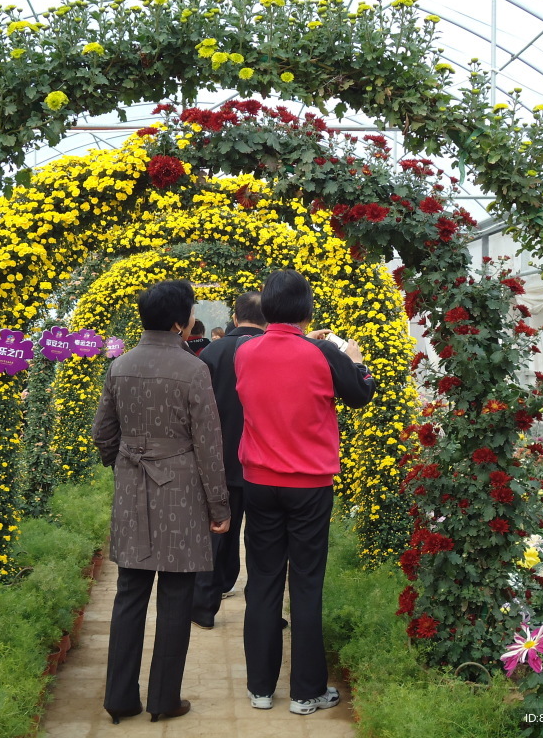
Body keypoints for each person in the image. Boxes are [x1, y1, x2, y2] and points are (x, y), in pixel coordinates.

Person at [235, 269, 376, 716]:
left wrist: (305, 341)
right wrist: (353, 359)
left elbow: (278, 358)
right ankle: (306, 692)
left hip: (258, 482)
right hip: (310, 485)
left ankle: (260, 688)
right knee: (307, 584)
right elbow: (359, 395)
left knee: (263, 582)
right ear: (308, 309)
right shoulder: (323, 354)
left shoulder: (245, 352)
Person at [92, 280, 231, 724]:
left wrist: (124, 462)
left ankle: (119, 699)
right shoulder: (193, 370)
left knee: (130, 592)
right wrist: (220, 507)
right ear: (180, 321)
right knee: (175, 594)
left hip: (134, 485)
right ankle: (163, 699)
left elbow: (103, 432)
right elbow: (209, 446)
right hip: (182, 492)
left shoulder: (120, 367)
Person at [191, 291, 266, 629]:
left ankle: (205, 608)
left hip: (220, 459)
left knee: (216, 536)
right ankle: (264, 614)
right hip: (265, 461)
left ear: (235, 318)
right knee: (265, 544)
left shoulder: (212, 353)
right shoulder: (275, 353)